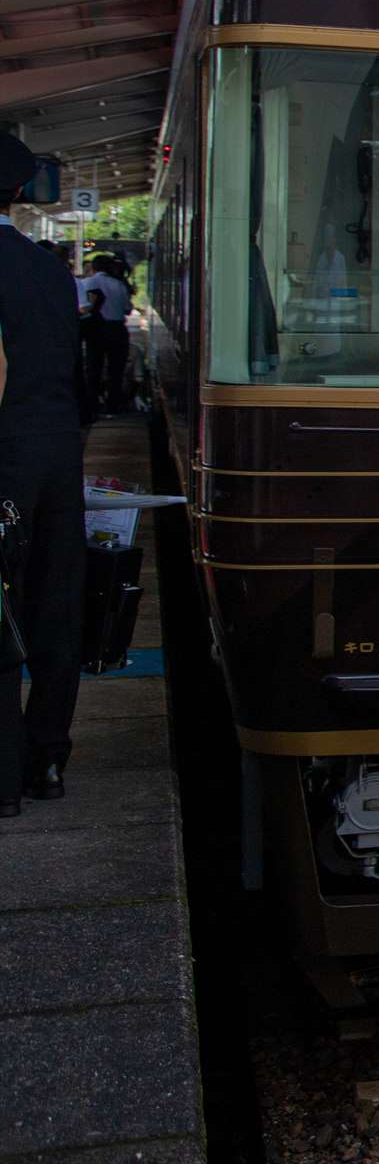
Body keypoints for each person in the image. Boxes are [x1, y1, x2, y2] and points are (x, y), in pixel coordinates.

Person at [0, 135, 91, 816]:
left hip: (3, 451)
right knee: (53, 608)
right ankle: (46, 760)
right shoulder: (50, 270)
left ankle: (4, 770)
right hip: (57, 450)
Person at [80, 253, 133, 412]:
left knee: (93, 367)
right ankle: (113, 405)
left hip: (96, 329)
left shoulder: (86, 283)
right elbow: (128, 309)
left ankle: (92, 404)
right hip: (117, 329)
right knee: (116, 370)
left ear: (94, 267)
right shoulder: (119, 284)